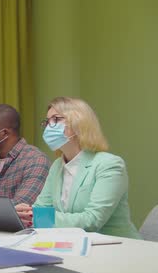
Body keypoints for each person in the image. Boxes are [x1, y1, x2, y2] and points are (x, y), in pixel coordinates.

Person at [15, 97, 140, 238]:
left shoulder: (109, 164)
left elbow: (93, 220)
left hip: (118, 247)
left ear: (79, 123)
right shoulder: (57, 165)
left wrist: (36, 217)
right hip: (72, 243)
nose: (49, 127)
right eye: (47, 122)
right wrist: (24, 214)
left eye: (56, 120)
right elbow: (41, 207)